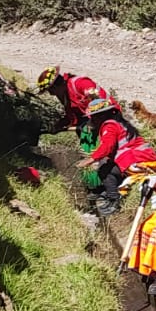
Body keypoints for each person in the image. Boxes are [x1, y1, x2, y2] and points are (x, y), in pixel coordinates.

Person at [36, 66, 126, 212]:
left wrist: (91, 123)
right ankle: (97, 187)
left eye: (51, 90)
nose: (52, 94)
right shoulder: (65, 96)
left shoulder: (80, 84)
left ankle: (112, 192)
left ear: (58, 84)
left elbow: (101, 104)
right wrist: (59, 125)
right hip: (91, 126)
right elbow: (72, 117)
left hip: (108, 121)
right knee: (92, 157)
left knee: (104, 156)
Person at [75, 101, 156, 217]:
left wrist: (90, 160)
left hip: (137, 159)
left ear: (101, 116)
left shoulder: (110, 126)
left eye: (93, 117)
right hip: (142, 157)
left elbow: (107, 146)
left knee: (105, 169)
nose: (92, 121)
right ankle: (112, 192)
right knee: (107, 164)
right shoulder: (119, 123)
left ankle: (114, 201)